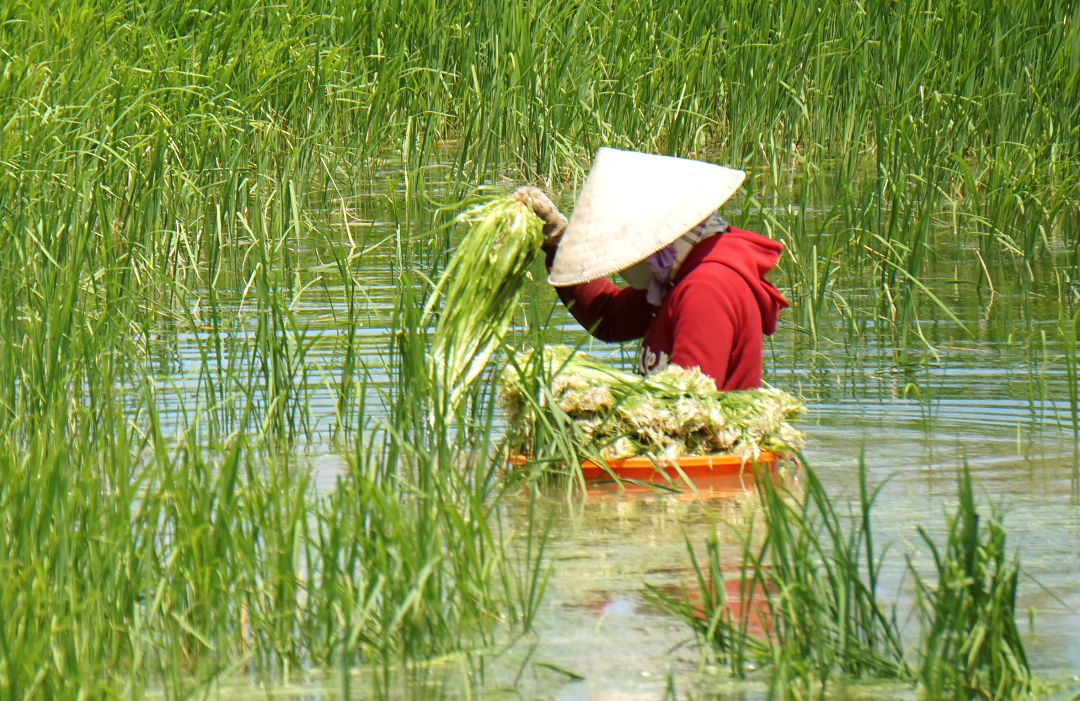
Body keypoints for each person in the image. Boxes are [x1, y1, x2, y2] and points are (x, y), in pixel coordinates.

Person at [512, 147, 789, 391]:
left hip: (697, 449)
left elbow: (690, 404)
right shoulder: (679, 275)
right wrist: (557, 239)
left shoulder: (706, 287)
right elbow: (609, 318)